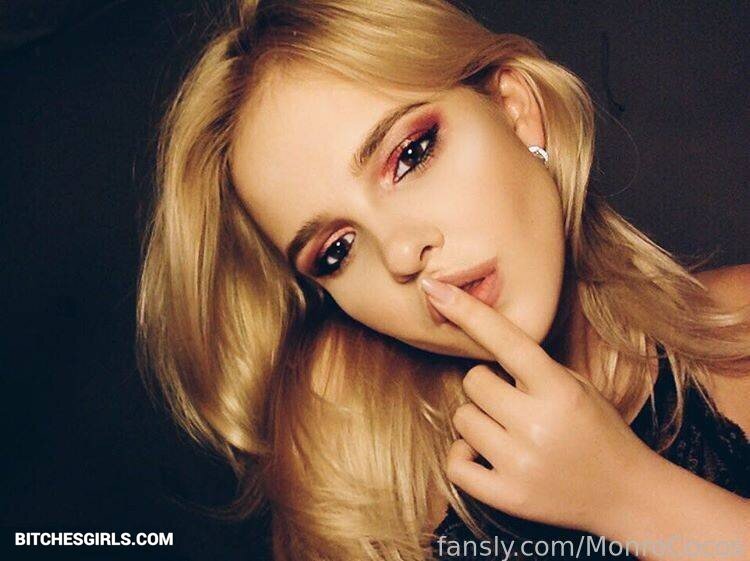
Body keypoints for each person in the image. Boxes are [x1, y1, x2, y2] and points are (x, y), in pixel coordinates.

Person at [135, 0, 750, 559]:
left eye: (410, 155)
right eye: (337, 250)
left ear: (514, 112)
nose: (401, 253)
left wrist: (629, 496)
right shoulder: (359, 454)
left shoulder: (739, 333)